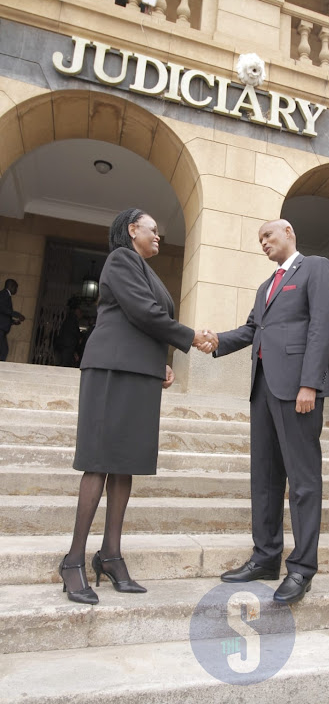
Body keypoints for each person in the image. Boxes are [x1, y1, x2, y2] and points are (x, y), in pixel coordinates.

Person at [59, 208, 211, 605]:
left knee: (124, 463)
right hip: (111, 368)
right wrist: (191, 337)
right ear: (132, 230)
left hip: (137, 370)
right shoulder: (121, 259)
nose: (158, 236)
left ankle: (111, 555)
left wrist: (157, 360)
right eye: (152, 230)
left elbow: (143, 319)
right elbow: (143, 311)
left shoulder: (144, 269)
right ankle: (73, 560)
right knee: (99, 461)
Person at [205, 219, 329, 604]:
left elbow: (320, 325)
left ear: (289, 232)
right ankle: (265, 557)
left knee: (303, 480)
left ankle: (302, 568)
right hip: (262, 388)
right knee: (263, 477)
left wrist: (310, 382)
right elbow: (251, 330)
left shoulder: (315, 266)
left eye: (268, 236)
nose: (263, 243)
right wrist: (214, 341)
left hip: (297, 388)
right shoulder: (266, 287)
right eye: (259, 239)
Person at [0, 279, 25, 361]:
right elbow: (3, 309)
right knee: (4, 351)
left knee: (4, 350)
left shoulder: (6, 295)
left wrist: (13, 322)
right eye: (16, 288)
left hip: (2, 330)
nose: (16, 290)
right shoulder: (4, 294)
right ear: (11, 286)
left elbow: (3, 315)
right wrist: (17, 315)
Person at [54, 297, 83, 367]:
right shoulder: (72, 320)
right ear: (77, 310)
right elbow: (74, 333)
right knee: (64, 365)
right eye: (80, 311)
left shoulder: (69, 319)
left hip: (66, 346)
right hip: (67, 347)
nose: (81, 314)